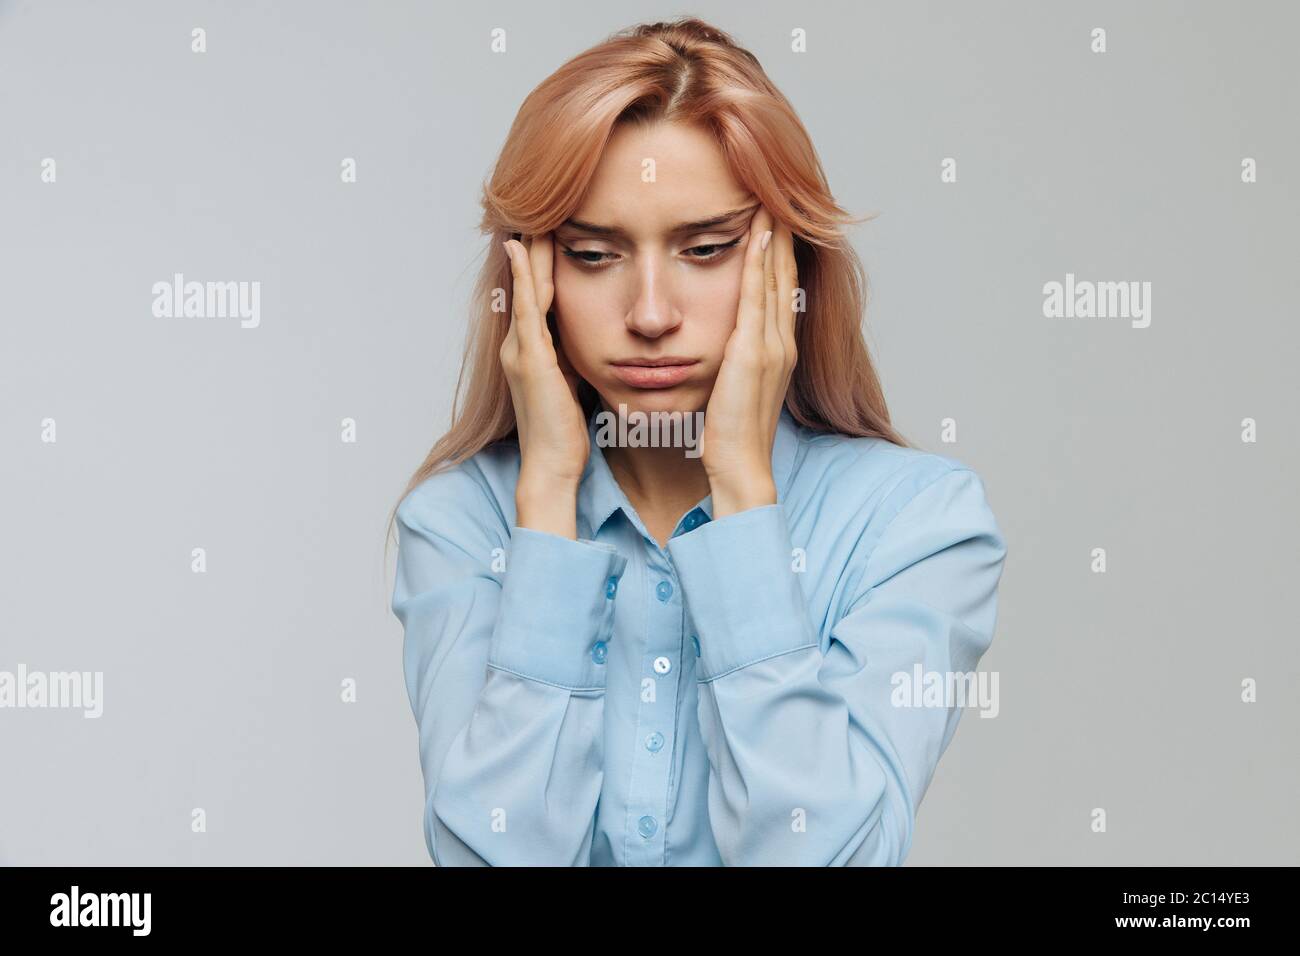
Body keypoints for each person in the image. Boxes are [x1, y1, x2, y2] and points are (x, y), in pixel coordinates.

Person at [388, 17, 1007, 866]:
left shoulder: (918, 524)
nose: (650, 314)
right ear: (534, 277)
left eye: (706, 249)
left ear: (792, 265)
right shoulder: (459, 523)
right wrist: (546, 508)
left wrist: (746, 500)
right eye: (596, 254)